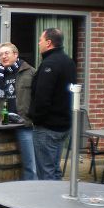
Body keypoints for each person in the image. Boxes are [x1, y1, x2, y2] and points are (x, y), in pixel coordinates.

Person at [28, 28, 76, 180]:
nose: (38, 43)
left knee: (46, 172)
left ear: (48, 43)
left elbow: (42, 97)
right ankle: (58, 194)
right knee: (55, 169)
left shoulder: (50, 64)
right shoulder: (68, 62)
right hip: (63, 125)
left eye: (40, 40)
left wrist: (36, 119)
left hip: (48, 127)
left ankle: (49, 196)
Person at [0, 42, 37, 180]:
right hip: (2, 125)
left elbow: (37, 97)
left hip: (24, 124)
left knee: (29, 164)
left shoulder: (30, 72)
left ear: (16, 54)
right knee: (3, 163)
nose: (3, 57)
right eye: (1, 54)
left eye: (7, 53)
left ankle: (30, 190)